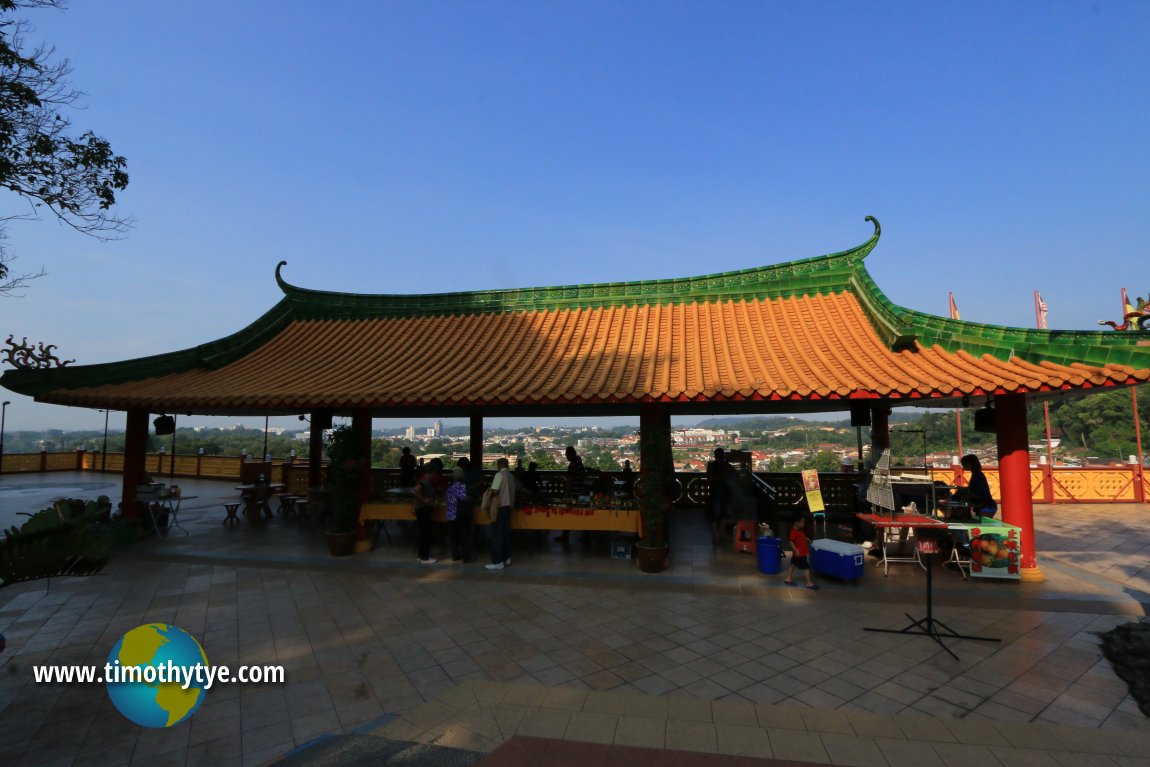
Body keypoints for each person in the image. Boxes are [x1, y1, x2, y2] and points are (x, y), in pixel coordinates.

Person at [485, 457, 516, 571]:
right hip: (509, 507)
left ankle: (497, 561)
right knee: (506, 534)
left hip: (500, 507)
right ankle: (507, 558)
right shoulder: (511, 476)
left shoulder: (499, 475)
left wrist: (488, 492)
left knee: (496, 536)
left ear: (499, 465)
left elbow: (495, 490)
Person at [412, 458, 442, 564]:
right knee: (426, 533)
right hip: (423, 510)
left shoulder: (426, 481)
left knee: (423, 533)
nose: (435, 475)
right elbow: (416, 490)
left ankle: (421, 555)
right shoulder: (425, 481)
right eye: (434, 473)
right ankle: (425, 557)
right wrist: (424, 500)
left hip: (423, 510)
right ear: (431, 472)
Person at [555, 446, 587, 543]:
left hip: (573, 494)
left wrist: (566, 494)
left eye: (566, 454)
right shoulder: (580, 464)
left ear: (570, 454)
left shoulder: (572, 465)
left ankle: (565, 536)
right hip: (581, 492)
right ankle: (586, 536)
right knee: (582, 515)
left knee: (567, 515)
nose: (566, 456)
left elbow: (570, 480)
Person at [445, 467, 473, 563]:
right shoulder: (462, 486)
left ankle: (455, 555)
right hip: (461, 514)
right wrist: (469, 498)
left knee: (453, 536)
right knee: (464, 536)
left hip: (451, 514)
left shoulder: (450, 487)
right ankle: (466, 557)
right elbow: (463, 497)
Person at [784, 516, 818, 590]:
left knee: (793, 565)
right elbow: (791, 541)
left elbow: (802, 537)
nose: (804, 524)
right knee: (807, 567)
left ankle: (788, 579)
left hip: (799, 553)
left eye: (804, 522)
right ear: (796, 522)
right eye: (802, 522)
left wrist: (807, 539)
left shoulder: (799, 530)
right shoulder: (793, 531)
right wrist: (795, 550)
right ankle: (809, 583)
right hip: (799, 554)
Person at [707, 448, 732, 545]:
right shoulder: (713, 466)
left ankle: (722, 535)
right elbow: (710, 478)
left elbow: (733, 474)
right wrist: (722, 476)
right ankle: (715, 536)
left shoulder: (725, 465)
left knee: (723, 514)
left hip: (724, 493)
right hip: (716, 493)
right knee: (715, 515)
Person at [960, 454, 997, 518]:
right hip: (986, 505)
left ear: (970, 464)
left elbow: (980, 493)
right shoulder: (977, 474)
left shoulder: (977, 475)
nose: (963, 466)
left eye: (964, 464)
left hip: (986, 506)